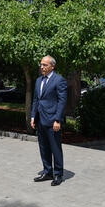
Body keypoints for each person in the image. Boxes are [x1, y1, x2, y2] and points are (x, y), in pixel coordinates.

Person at [31, 56, 67, 186]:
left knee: (55, 148)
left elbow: (62, 101)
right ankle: (47, 171)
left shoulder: (59, 80)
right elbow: (36, 100)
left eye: (45, 65)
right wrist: (33, 116)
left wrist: (58, 120)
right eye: (41, 64)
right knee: (44, 147)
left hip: (53, 120)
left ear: (52, 66)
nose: (42, 67)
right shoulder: (38, 80)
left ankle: (58, 174)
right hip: (40, 119)